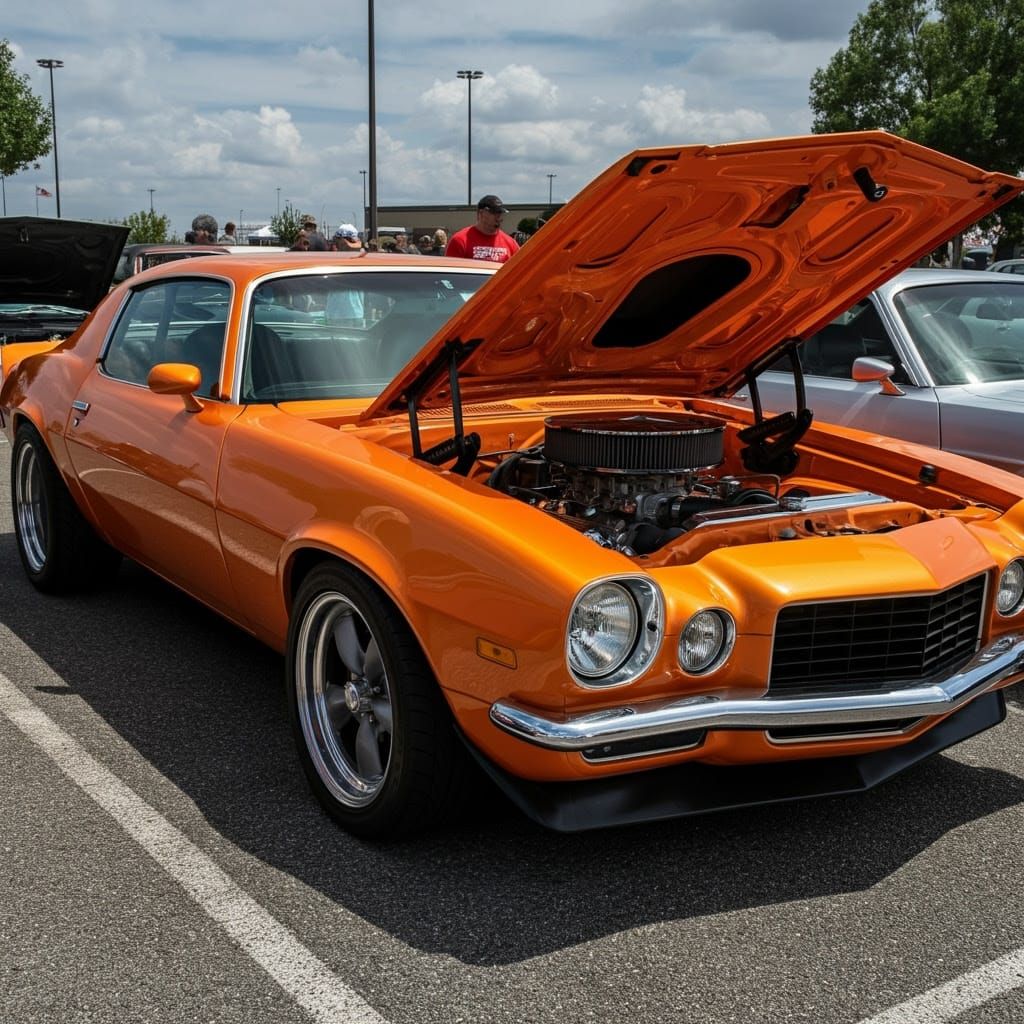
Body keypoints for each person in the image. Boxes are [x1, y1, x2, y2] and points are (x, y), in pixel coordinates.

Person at [445, 196, 519, 263]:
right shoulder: (460, 241)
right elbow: (450, 272)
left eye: (500, 213)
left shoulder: (511, 244)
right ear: (481, 213)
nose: (499, 218)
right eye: (495, 213)